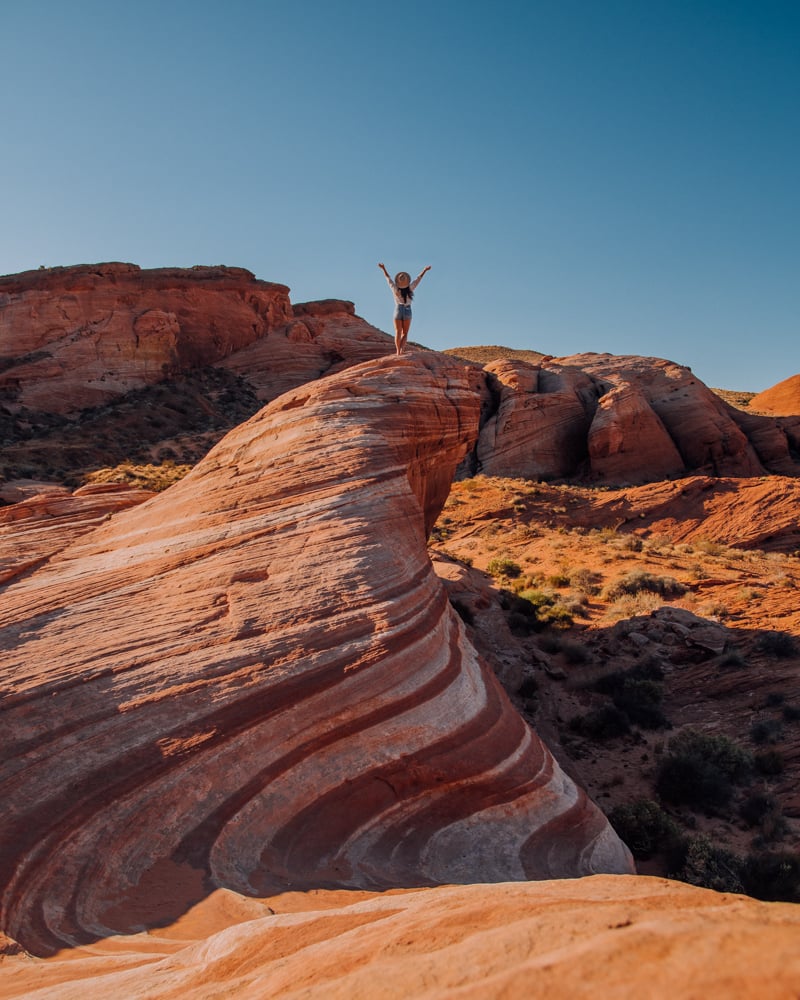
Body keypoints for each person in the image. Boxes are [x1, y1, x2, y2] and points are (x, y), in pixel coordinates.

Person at [378, 262, 431, 355]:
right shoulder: (410, 288)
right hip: (407, 310)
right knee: (405, 333)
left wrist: (383, 268)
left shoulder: (395, 289)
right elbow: (418, 279)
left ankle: (398, 351)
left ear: (398, 282)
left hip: (398, 309)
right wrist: (425, 270)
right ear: (407, 282)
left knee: (397, 331)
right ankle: (402, 350)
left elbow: (388, 278)